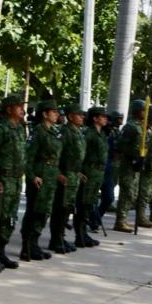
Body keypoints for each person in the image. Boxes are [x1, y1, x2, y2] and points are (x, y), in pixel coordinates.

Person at [0, 93, 26, 271]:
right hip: (2, 180)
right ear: (9, 110)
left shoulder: (19, 129)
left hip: (15, 181)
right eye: (19, 106)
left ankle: (1, 252)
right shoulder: (1, 129)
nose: (22, 110)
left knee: (9, 218)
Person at [21, 100, 61, 260]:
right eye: (53, 112)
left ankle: (34, 243)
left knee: (44, 212)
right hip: (40, 175)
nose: (56, 114)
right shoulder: (38, 132)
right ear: (45, 114)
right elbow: (28, 157)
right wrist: (31, 176)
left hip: (51, 176)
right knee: (34, 211)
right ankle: (28, 246)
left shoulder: (54, 131)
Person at [50, 104, 85, 254]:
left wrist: (78, 172)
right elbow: (57, 155)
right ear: (71, 116)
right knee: (60, 208)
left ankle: (61, 236)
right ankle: (56, 239)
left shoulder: (78, 132)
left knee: (68, 208)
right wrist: (58, 172)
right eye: (79, 114)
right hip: (65, 175)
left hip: (73, 175)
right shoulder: (65, 132)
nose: (82, 117)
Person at [112, 99, 147, 233]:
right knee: (127, 192)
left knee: (132, 193)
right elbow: (121, 145)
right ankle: (120, 221)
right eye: (143, 110)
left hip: (136, 164)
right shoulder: (131, 126)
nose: (145, 113)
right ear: (137, 111)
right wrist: (132, 155)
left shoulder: (140, 126)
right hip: (128, 164)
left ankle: (123, 219)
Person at [76, 107, 108, 247]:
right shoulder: (88, 133)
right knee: (83, 203)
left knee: (90, 203)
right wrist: (79, 170)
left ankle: (84, 233)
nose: (105, 119)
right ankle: (80, 234)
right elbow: (81, 153)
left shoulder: (102, 134)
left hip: (98, 173)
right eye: (102, 116)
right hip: (89, 171)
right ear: (95, 118)